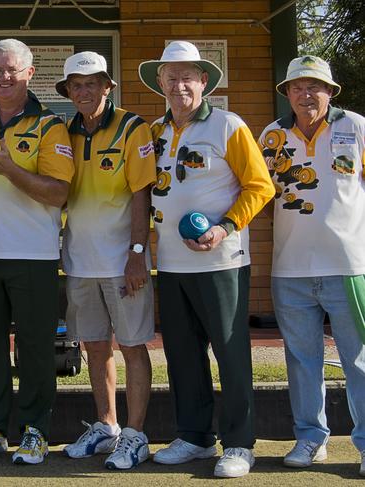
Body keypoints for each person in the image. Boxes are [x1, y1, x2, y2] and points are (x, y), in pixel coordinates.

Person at [137, 41, 274, 478]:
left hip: (221, 262)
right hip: (172, 264)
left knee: (231, 355)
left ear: (203, 82)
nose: (180, 84)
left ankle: (239, 443)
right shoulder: (153, 132)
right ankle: (195, 437)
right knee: (181, 355)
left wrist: (224, 227)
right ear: (160, 83)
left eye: (188, 76)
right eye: (171, 77)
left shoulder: (228, 124)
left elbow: (260, 186)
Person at [0, 38, 74, 465]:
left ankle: (36, 430)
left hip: (35, 257)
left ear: (28, 73)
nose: (3, 77)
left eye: (12, 70)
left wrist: (10, 169)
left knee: (36, 349)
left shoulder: (50, 125)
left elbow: (58, 193)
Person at [259, 55, 365, 476]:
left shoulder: (354, 126)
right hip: (290, 269)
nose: (306, 94)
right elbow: (265, 199)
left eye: (315, 87)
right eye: (298, 87)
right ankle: (310, 439)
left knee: (359, 359)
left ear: (330, 92)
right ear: (287, 92)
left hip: (349, 266)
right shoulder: (271, 135)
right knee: (302, 360)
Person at [55, 51, 156, 470]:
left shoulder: (134, 128)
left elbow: (141, 195)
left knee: (132, 346)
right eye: (76, 85)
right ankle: (107, 425)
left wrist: (136, 254)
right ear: (67, 91)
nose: (84, 91)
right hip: (79, 261)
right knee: (95, 348)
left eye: (92, 83)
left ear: (107, 86)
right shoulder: (63, 132)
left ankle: (135, 435)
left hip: (123, 262)